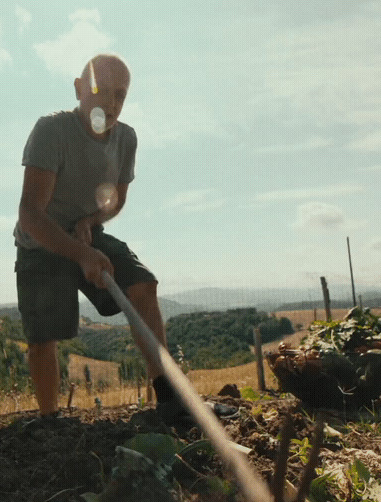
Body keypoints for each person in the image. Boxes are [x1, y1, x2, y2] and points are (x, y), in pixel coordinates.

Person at [14, 54, 235, 425]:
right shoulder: (51, 131)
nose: (112, 103)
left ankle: (169, 398)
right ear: (79, 89)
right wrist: (80, 253)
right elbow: (31, 214)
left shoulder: (126, 139)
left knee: (143, 285)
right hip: (42, 241)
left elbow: (115, 200)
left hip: (88, 233)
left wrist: (91, 219)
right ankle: (50, 422)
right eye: (101, 91)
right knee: (43, 336)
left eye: (121, 95)